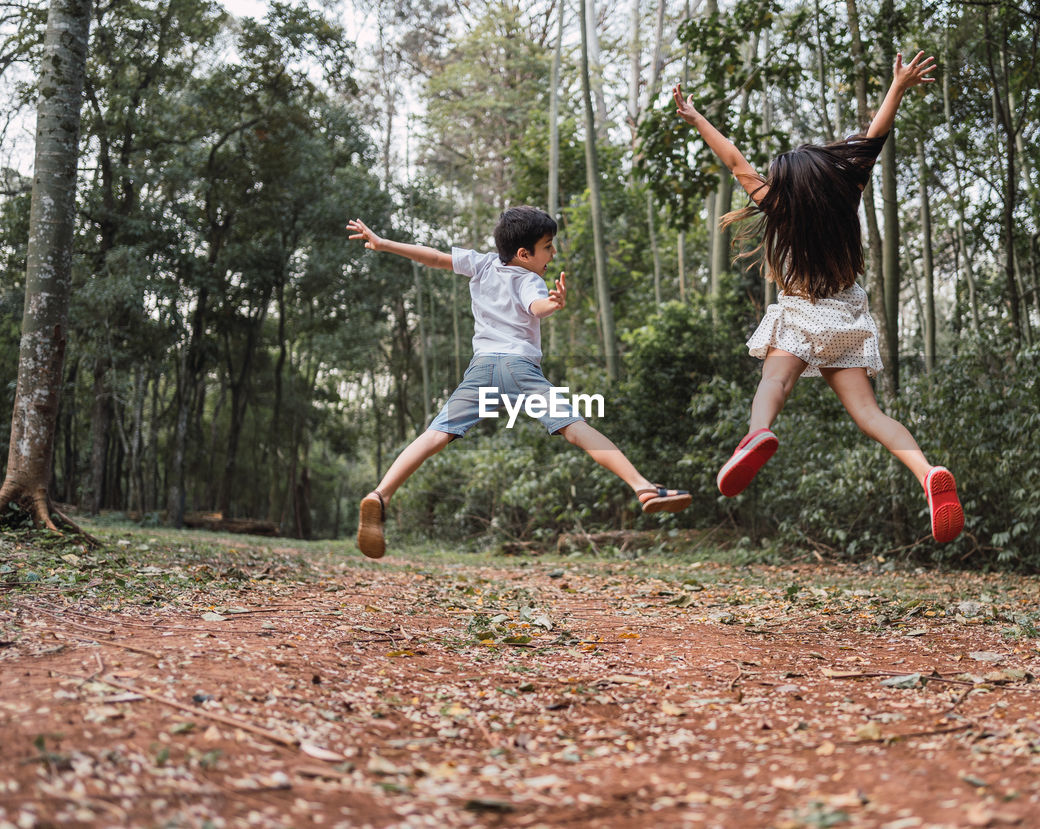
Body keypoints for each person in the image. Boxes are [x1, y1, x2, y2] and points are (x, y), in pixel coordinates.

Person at [673, 51, 964, 544]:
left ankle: (758, 432)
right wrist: (896, 87)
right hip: (846, 317)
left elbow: (733, 160)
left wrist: (697, 117)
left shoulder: (777, 204)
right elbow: (874, 138)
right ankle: (925, 472)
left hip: (801, 314)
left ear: (785, 185)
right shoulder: (847, 191)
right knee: (870, 415)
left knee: (774, 383)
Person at [346, 206, 691, 558]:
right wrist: (552, 304)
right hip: (519, 369)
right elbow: (535, 306)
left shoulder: (480, 264)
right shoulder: (530, 279)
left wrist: (383, 243)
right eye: (548, 246)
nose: (552, 254)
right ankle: (642, 486)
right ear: (524, 254)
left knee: (436, 434)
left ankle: (381, 494)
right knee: (574, 427)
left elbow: (434, 257)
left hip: (482, 371)